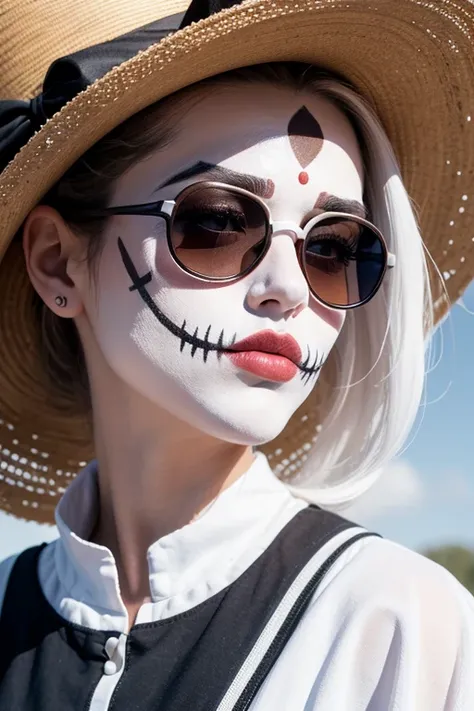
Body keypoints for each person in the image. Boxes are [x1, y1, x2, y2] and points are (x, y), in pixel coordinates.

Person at [0, 0, 473, 708]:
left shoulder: (403, 628)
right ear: (59, 263)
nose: (287, 287)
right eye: (219, 221)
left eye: (333, 247)